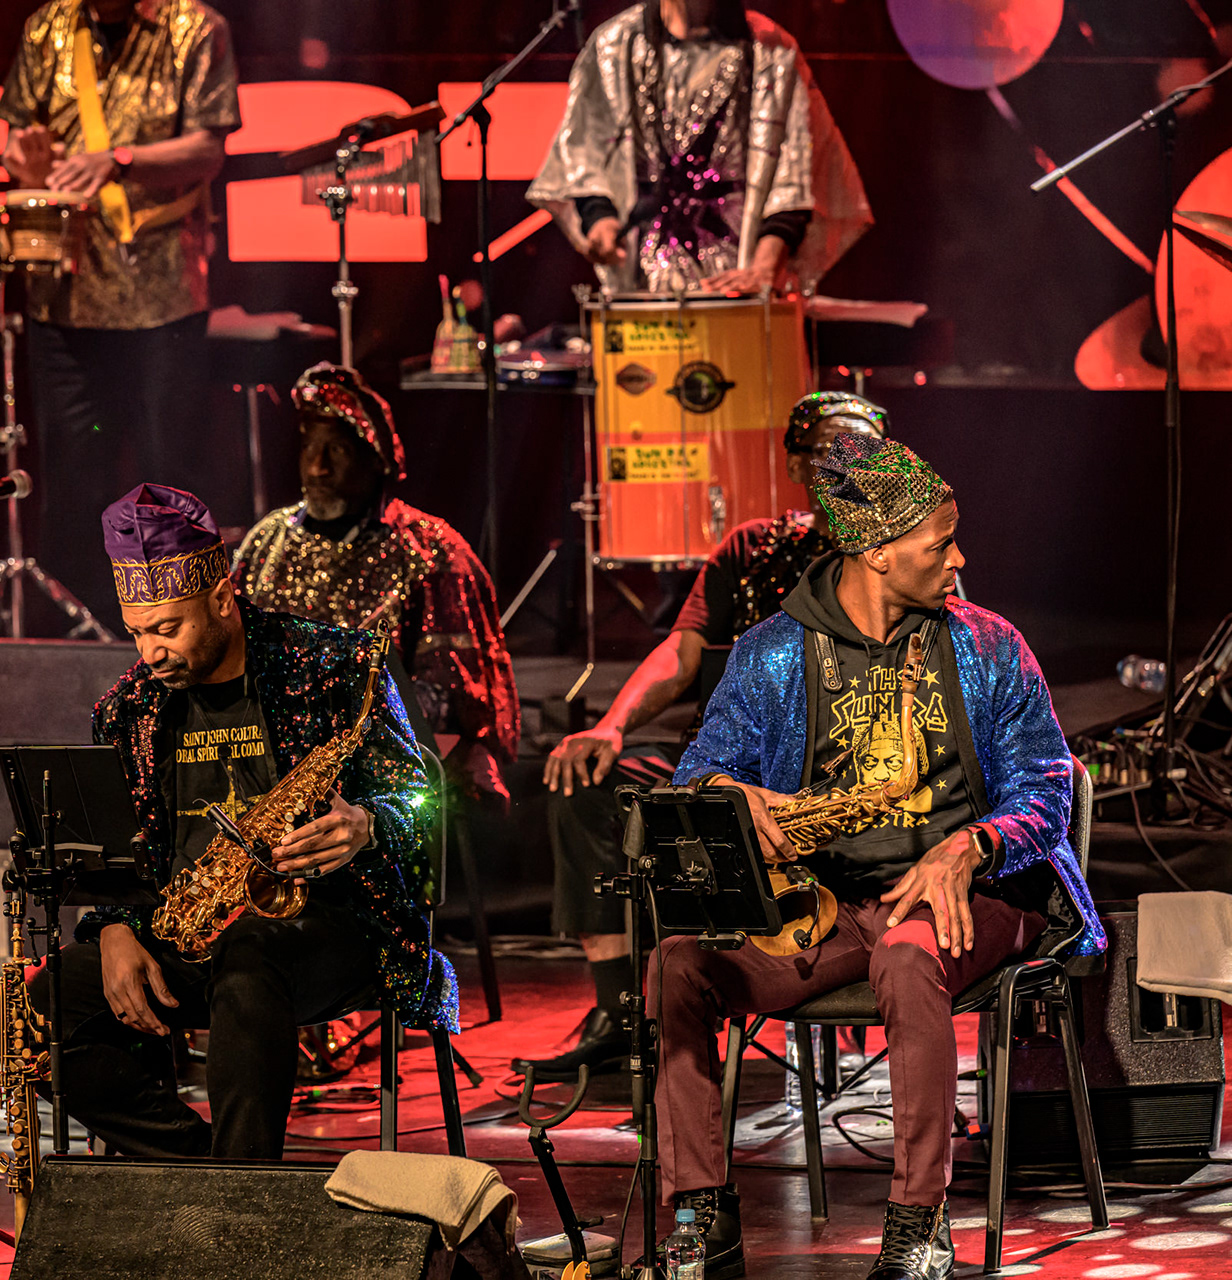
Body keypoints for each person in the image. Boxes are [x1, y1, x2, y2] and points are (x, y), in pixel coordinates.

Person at [640, 434, 1103, 1280]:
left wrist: (973, 844)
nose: (959, 559)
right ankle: (702, 1215)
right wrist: (734, 796)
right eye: (941, 543)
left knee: (907, 953)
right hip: (823, 908)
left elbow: (1046, 790)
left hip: (975, 897)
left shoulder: (990, 645)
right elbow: (699, 769)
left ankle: (919, 1222)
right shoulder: (772, 651)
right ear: (878, 551)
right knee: (677, 964)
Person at [0, 483, 455, 1160]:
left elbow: (421, 799)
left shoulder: (336, 664)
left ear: (222, 599)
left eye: (167, 628)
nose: (150, 652)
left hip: (335, 929)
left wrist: (368, 823)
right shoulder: (127, 707)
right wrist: (114, 928)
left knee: (250, 954)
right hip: (185, 932)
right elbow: (119, 857)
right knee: (21, 1013)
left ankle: (238, 1191)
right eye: (137, 631)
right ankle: (210, 1171)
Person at [515, 391, 887, 1082]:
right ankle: (618, 1011)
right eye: (829, 452)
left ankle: (785, 974)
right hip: (720, 753)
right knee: (587, 785)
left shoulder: (897, 554)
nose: (848, 465)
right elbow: (682, 655)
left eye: (864, 451)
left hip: (833, 766)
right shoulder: (751, 547)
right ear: (797, 465)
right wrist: (610, 726)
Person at [0, 0, 242, 623]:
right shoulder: (46, 27)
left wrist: (119, 159)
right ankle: (80, 634)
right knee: (72, 480)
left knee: (169, 476)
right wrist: (25, 166)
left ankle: (186, 629)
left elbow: (209, 148)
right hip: (64, 297)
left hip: (162, 299)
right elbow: (15, 147)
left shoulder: (196, 28)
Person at [231, 363, 518, 807]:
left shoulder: (431, 551)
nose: (317, 467)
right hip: (269, 761)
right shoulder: (267, 541)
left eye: (337, 450)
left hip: (394, 767)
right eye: (309, 447)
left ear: (375, 458)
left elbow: (456, 700)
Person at [526, 0, 870, 293]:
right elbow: (584, 151)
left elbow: (796, 174)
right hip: (642, 284)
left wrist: (765, 266)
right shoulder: (615, 45)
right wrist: (599, 219)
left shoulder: (770, 49)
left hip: (738, 283)